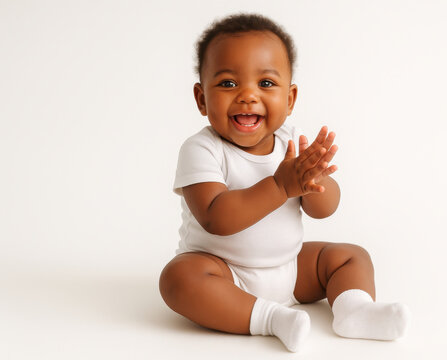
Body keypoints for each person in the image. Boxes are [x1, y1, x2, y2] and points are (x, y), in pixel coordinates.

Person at [159, 13, 411, 352]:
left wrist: (314, 182)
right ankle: (269, 318)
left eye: (265, 83)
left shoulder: (290, 143)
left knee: (351, 256)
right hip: (223, 273)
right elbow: (216, 217)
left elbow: (324, 211)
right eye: (228, 83)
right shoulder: (201, 149)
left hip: (290, 269)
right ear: (202, 98)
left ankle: (354, 311)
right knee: (178, 279)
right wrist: (281, 186)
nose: (248, 95)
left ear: (290, 99)